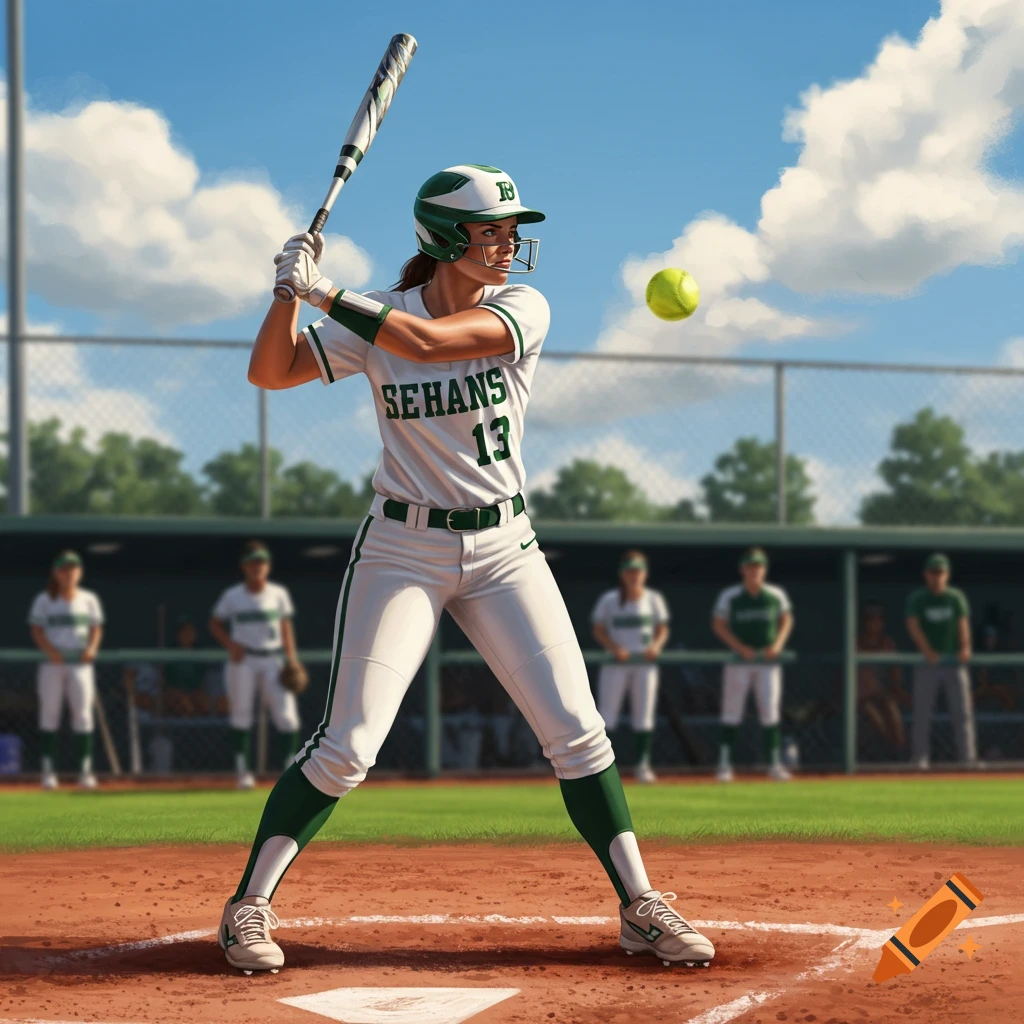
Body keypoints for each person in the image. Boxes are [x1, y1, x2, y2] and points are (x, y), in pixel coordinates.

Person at [218, 165, 714, 973]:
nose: (509, 244)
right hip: (401, 548)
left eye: (511, 230)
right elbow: (270, 372)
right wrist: (286, 292)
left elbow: (428, 343)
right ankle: (249, 906)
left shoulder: (520, 307)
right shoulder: (378, 311)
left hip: (504, 550)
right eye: (492, 231)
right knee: (348, 745)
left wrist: (323, 289)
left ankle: (640, 904)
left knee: (578, 730)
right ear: (447, 239)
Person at [210, 543, 302, 789]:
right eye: (252, 562)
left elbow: (285, 627)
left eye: (261, 562)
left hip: (273, 658)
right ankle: (243, 773)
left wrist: (292, 659)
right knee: (241, 716)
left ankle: (289, 770)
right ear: (244, 566)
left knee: (287, 717)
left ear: (268, 566)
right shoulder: (233, 595)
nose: (257, 567)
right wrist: (231, 644)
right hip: (244, 660)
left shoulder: (278, 593)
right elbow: (215, 623)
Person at [711, 548, 793, 782]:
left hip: (767, 661)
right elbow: (718, 624)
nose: (754, 571)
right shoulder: (730, 595)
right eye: (750, 566)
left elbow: (786, 619)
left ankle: (774, 764)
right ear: (742, 570)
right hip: (739, 661)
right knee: (731, 711)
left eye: (758, 567)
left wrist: (777, 644)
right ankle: (725, 764)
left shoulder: (775, 594)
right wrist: (739, 647)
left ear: (764, 570)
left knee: (770, 712)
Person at [591, 551, 670, 784]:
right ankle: (604, 768)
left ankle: (642, 765)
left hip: (644, 663)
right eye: (630, 571)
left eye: (638, 571)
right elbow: (598, 628)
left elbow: (662, 628)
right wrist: (614, 647)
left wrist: (656, 645)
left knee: (643, 716)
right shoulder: (610, 599)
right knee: (607, 716)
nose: (634, 576)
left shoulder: (653, 599)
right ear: (622, 574)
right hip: (617, 662)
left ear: (644, 574)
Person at [28, 551, 104, 789]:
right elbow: (37, 630)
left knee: (82, 715)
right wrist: (50, 650)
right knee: (50, 714)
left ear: (80, 572)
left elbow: (95, 628)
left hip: (80, 662)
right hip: (53, 663)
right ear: (56, 573)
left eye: (73, 569)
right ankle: (48, 772)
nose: (69, 573)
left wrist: (92, 648)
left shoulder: (89, 598)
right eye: (64, 569)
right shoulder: (44, 599)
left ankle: (84, 773)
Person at [905, 553, 976, 769]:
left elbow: (962, 624)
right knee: (922, 712)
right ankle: (920, 758)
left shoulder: (956, 597)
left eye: (941, 573)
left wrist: (965, 647)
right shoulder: (918, 597)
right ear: (926, 575)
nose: (937, 577)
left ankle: (968, 759)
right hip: (928, 664)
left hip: (953, 662)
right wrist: (927, 650)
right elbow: (913, 625)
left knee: (962, 713)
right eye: (933, 573)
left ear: (947, 575)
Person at [856, 603, 909, 754]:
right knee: (873, 715)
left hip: (879, 694)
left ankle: (900, 751)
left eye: (878, 620)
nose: (874, 624)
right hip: (858, 698)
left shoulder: (888, 643)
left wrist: (898, 691)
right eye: (870, 620)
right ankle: (891, 751)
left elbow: (895, 674)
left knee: (891, 708)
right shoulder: (854, 643)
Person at [163, 616, 210, 717]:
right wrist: (180, 696)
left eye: (190, 630)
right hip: (174, 695)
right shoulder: (169, 653)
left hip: (193, 694)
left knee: (203, 702)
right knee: (178, 701)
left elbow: (202, 683)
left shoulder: (200, 654)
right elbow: (165, 683)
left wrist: (192, 696)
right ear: (177, 634)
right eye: (183, 631)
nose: (187, 634)